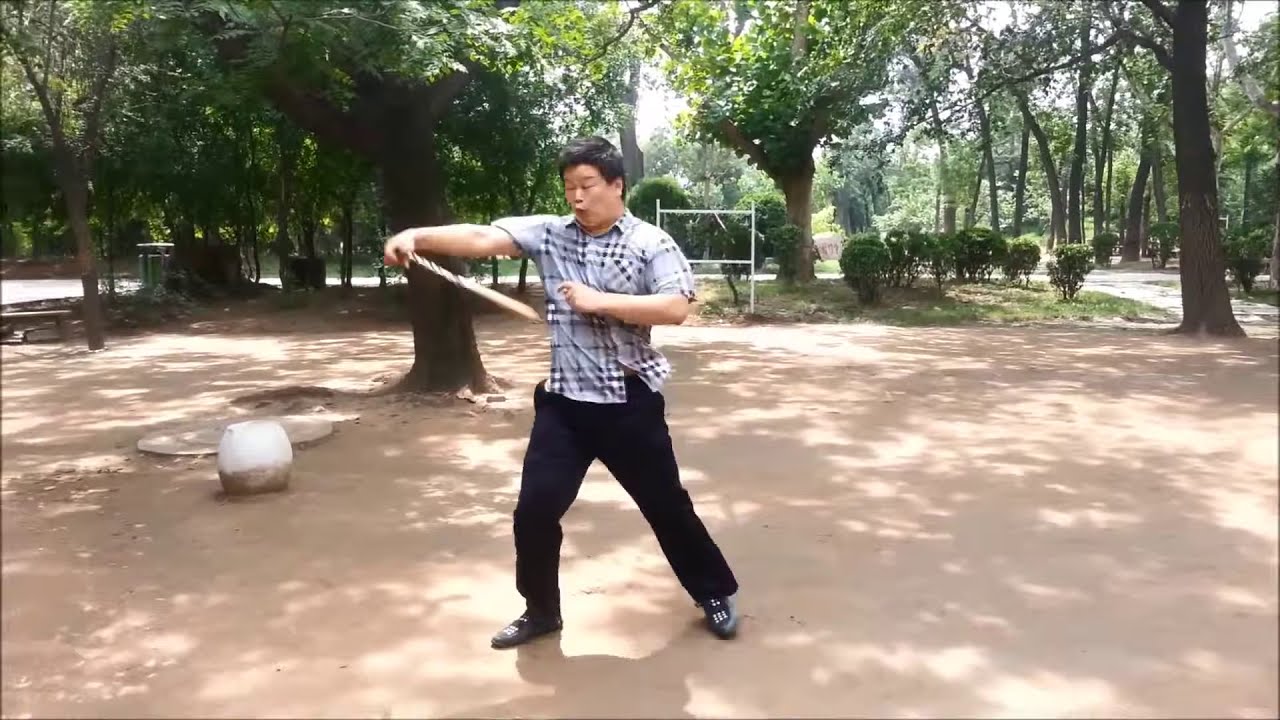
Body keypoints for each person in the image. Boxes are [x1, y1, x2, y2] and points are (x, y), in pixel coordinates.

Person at [383, 136, 741, 649]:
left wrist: (601, 301)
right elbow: (483, 236)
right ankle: (541, 611)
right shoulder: (551, 234)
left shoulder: (650, 242)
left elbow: (675, 307)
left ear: (617, 185)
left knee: (666, 506)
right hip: (564, 407)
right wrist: (417, 235)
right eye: (570, 186)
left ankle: (713, 591)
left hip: (628, 403)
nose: (577, 196)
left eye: (588, 185)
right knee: (534, 511)